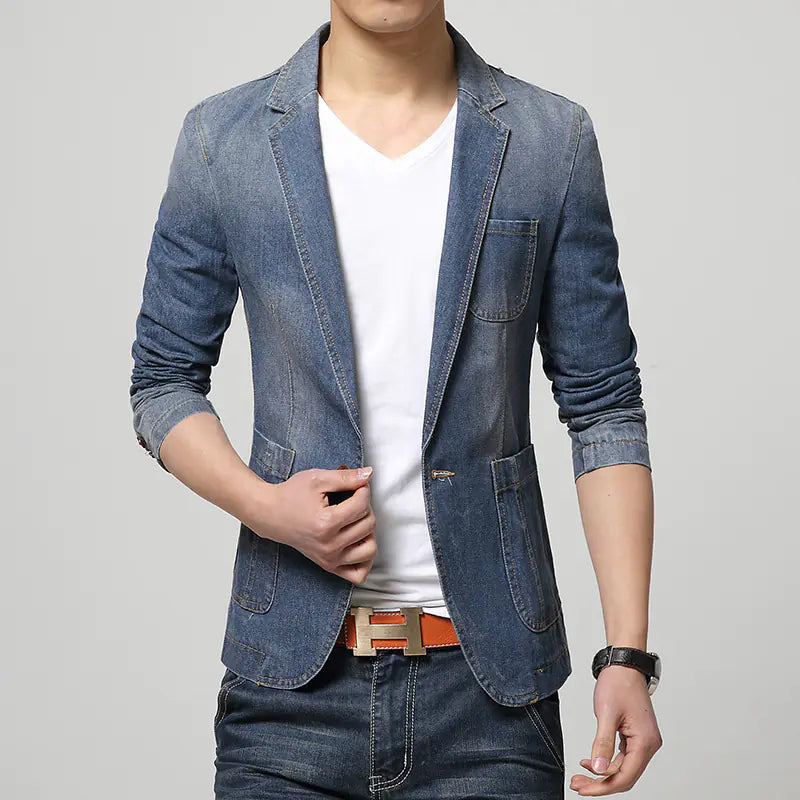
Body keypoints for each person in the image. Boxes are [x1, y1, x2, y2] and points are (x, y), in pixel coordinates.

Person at [129, 2, 662, 797]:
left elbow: (603, 405)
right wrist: (265, 507)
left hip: (490, 705)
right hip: (287, 702)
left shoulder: (549, 141)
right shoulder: (225, 140)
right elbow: (164, 378)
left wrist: (626, 653)